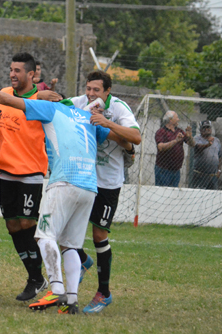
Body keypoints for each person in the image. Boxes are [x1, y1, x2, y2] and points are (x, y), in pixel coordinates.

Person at [0, 80, 125, 314]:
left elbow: (8, 100)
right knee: (70, 245)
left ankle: (56, 288)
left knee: (44, 236)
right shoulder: (88, 119)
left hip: (64, 182)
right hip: (90, 187)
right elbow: (117, 138)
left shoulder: (52, 109)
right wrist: (129, 149)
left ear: (52, 99)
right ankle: (72, 301)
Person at [66, 70, 141, 314]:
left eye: (96, 90)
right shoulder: (81, 102)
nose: (90, 94)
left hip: (108, 183)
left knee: (99, 235)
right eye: (88, 89)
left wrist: (107, 123)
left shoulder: (119, 109)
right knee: (65, 228)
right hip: (83, 177)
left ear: (107, 92)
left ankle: (104, 293)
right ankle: (84, 261)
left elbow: (136, 138)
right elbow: (61, 107)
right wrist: (46, 96)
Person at [0, 52, 49, 301]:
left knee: (27, 224)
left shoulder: (40, 99)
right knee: (11, 224)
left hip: (31, 171)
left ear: (32, 74)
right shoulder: (4, 94)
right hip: (5, 170)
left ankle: (37, 277)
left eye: (18, 70)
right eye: (11, 69)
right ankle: (35, 278)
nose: (13, 74)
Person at [154, 111, 195, 187]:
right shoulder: (161, 132)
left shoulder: (179, 131)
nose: (178, 119)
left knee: (173, 195)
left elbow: (192, 144)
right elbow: (160, 147)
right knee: (163, 194)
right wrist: (175, 141)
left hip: (176, 170)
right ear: (170, 120)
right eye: (177, 118)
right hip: (163, 170)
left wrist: (189, 137)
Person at [191, 120, 222, 190]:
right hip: (200, 175)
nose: (207, 130)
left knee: (213, 195)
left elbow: (219, 156)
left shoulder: (217, 140)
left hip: (213, 176)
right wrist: (208, 144)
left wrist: (219, 170)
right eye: (204, 128)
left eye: (208, 127)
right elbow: (198, 147)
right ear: (200, 130)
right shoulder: (197, 138)